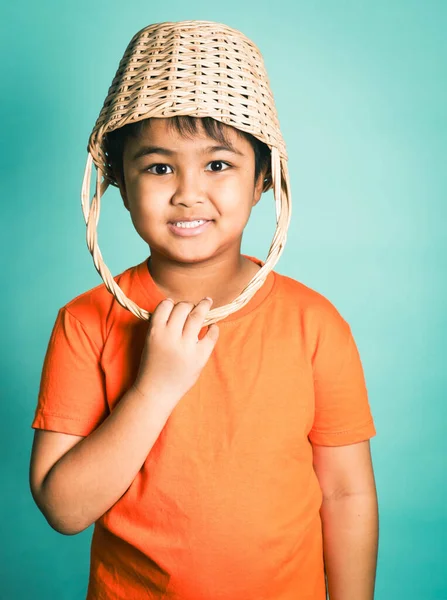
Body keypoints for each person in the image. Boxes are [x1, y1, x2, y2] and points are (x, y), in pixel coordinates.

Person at [29, 20, 378, 600]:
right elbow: (64, 508)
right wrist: (156, 388)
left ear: (263, 177)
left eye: (218, 164)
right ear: (117, 178)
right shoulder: (84, 322)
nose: (188, 192)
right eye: (159, 166)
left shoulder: (314, 324)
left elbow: (346, 492)